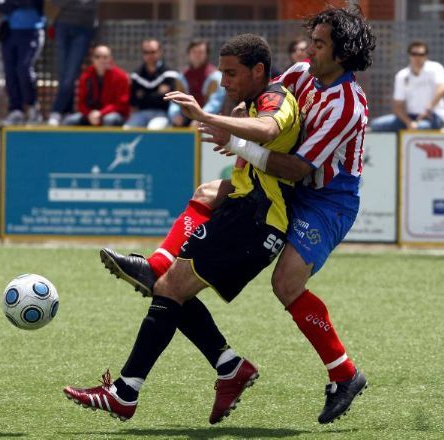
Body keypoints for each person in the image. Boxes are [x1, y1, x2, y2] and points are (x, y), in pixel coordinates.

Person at [90, 6, 375, 424]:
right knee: (207, 194)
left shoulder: (346, 105)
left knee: (285, 283)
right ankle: (161, 270)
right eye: (311, 41)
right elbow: (267, 100)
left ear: (343, 52)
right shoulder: (301, 74)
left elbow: (297, 167)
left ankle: (344, 374)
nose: (309, 49)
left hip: (326, 199)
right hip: (285, 187)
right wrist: (239, 114)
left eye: (319, 43)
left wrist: (234, 139)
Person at [64, 33, 301, 425]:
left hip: (257, 221)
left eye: (231, 73)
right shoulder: (255, 100)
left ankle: (126, 393)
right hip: (247, 212)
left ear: (258, 70)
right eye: (222, 73)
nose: (223, 82)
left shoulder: (275, 99)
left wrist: (209, 118)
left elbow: (269, 129)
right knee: (175, 278)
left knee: (169, 285)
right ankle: (228, 367)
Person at [371, 40, 444, 131]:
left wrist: (429, 108)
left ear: (426, 56)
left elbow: (443, 88)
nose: (417, 57)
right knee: (376, 125)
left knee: (420, 128)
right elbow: (398, 105)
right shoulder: (402, 75)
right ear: (409, 55)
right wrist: (409, 123)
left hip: (433, 116)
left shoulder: (435, 68)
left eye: (421, 54)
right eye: (414, 54)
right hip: (410, 117)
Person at [47, 0, 100, 126]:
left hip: (84, 29)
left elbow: (92, 4)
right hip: (62, 27)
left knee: (70, 75)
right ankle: (67, 111)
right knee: (63, 73)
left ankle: (56, 111)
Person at [0, 0, 45, 125]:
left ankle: (33, 106)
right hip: (9, 33)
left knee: (24, 68)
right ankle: (16, 110)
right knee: (10, 72)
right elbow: (1, 7)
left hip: (32, 32)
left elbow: (30, 3)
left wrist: (12, 4)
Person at [62, 44, 130, 126]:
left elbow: (121, 104)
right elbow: (81, 103)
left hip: (113, 114)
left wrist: (101, 113)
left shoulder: (121, 76)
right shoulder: (86, 76)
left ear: (110, 59)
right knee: (69, 121)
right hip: (91, 115)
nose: (101, 60)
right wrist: (90, 114)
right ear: (93, 59)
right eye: (97, 57)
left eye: (105, 57)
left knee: (109, 119)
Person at [124, 38, 179, 129]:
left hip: (161, 113)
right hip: (141, 113)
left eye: (153, 52)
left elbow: (168, 99)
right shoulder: (136, 75)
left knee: (153, 129)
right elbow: (134, 101)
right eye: (146, 52)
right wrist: (158, 93)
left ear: (159, 52)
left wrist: (143, 95)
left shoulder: (169, 74)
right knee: (127, 129)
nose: (150, 55)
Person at [168, 39, 217, 127]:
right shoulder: (182, 76)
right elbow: (175, 100)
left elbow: (215, 103)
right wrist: (175, 115)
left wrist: (201, 117)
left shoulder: (215, 77)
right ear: (189, 54)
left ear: (206, 54)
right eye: (194, 52)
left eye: (201, 52)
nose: (197, 55)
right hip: (186, 118)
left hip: (210, 119)